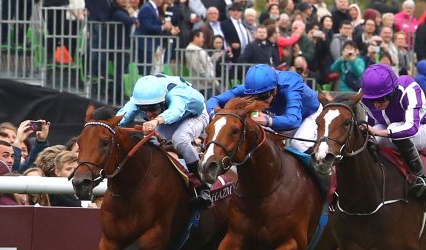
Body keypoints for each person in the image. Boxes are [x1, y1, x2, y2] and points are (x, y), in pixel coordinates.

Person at [117, 74, 212, 206]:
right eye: (143, 110)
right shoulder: (141, 99)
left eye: (152, 109)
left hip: (193, 115)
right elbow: (121, 117)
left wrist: (156, 120)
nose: (148, 114)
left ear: (162, 101)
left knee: (180, 140)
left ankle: (203, 188)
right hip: (166, 119)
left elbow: (176, 111)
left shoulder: (176, 93)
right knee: (149, 144)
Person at [206, 64, 322, 153]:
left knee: (298, 144)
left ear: (275, 90)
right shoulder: (250, 87)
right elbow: (213, 100)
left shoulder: (291, 84)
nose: (259, 102)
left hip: (308, 115)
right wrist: (215, 115)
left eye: (263, 96)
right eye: (253, 97)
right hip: (278, 115)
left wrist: (267, 120)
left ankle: (320, 174)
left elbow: (294, 120)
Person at [359, 64, 426, 201]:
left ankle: (421, 178)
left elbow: (411, 127)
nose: (376, 105)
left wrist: (378, 132)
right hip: (385, 129)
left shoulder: (409, 89)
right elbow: (370, 123)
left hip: (419, 131)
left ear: (392, 92)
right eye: (371, 100)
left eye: (381, 99)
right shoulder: (363, 96)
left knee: (394, 129)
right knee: (369, 138)